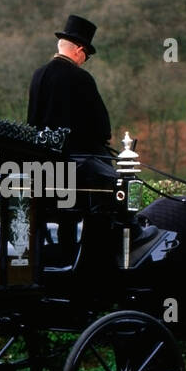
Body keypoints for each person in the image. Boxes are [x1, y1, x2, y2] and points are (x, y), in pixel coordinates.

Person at [27, 14, 117, 257]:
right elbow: (102, 128)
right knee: (110, 181)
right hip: (76, 168)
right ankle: (93, 253)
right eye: (85, 56)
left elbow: (32, 122)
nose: (84, 61)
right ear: (79, 49)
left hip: (43, 164)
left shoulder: (38, 75)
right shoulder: (81, 78)